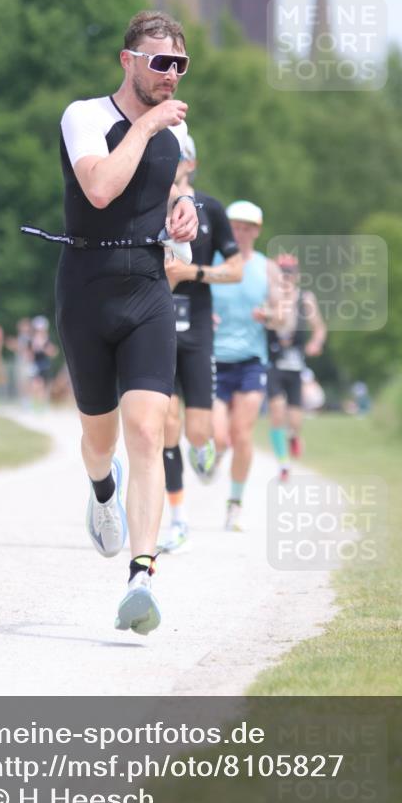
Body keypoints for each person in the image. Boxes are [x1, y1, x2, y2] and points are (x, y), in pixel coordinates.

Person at [54, 9, 197, 634]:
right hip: (85, 288)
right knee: (99, 439)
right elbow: (103, 189)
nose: (170, 75)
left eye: (180, 65)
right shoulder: (84, 117)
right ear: (127, 61)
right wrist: (147, 125)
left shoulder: (174, 136)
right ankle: (101, 492)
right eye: (159, 62)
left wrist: (184, 206)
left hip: (147, 287)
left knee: (147, 428)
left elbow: (168, 187)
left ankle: (141, 575)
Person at [159, 134, 243, 552]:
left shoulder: (209, 209)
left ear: (191, 163)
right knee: (165, 426)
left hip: (196, 328)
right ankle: (178, 518)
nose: (171, 162)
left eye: (178, 156)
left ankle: (204, 447)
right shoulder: (147, 201)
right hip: (153, 325)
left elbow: (236, 269)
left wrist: (190, 274)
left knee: (196, 430)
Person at [211, 201, 282, 532]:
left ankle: (235, 504)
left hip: (251, 362)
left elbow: (282, 316)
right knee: (218, 437)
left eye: (246, 227)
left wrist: (268, 316)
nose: (240, 232)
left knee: (241, 433)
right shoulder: (212, 262)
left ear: (257, 230)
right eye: (234, 226)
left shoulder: (268, 269)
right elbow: (191, 298)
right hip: (214, 359)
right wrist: (203, 318)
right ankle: (213, 457)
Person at [266, 253, 327, 480]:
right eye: (281, 272)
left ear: (297, 275)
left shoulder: (305, 299)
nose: (286, 277)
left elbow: (319, 327)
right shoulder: (268, 297)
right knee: (275, 411)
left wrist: (315, 343)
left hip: (295, 365)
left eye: (289, 272)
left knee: (294, 419)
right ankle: (283, 464)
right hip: (273, 362)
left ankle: (293, 436)